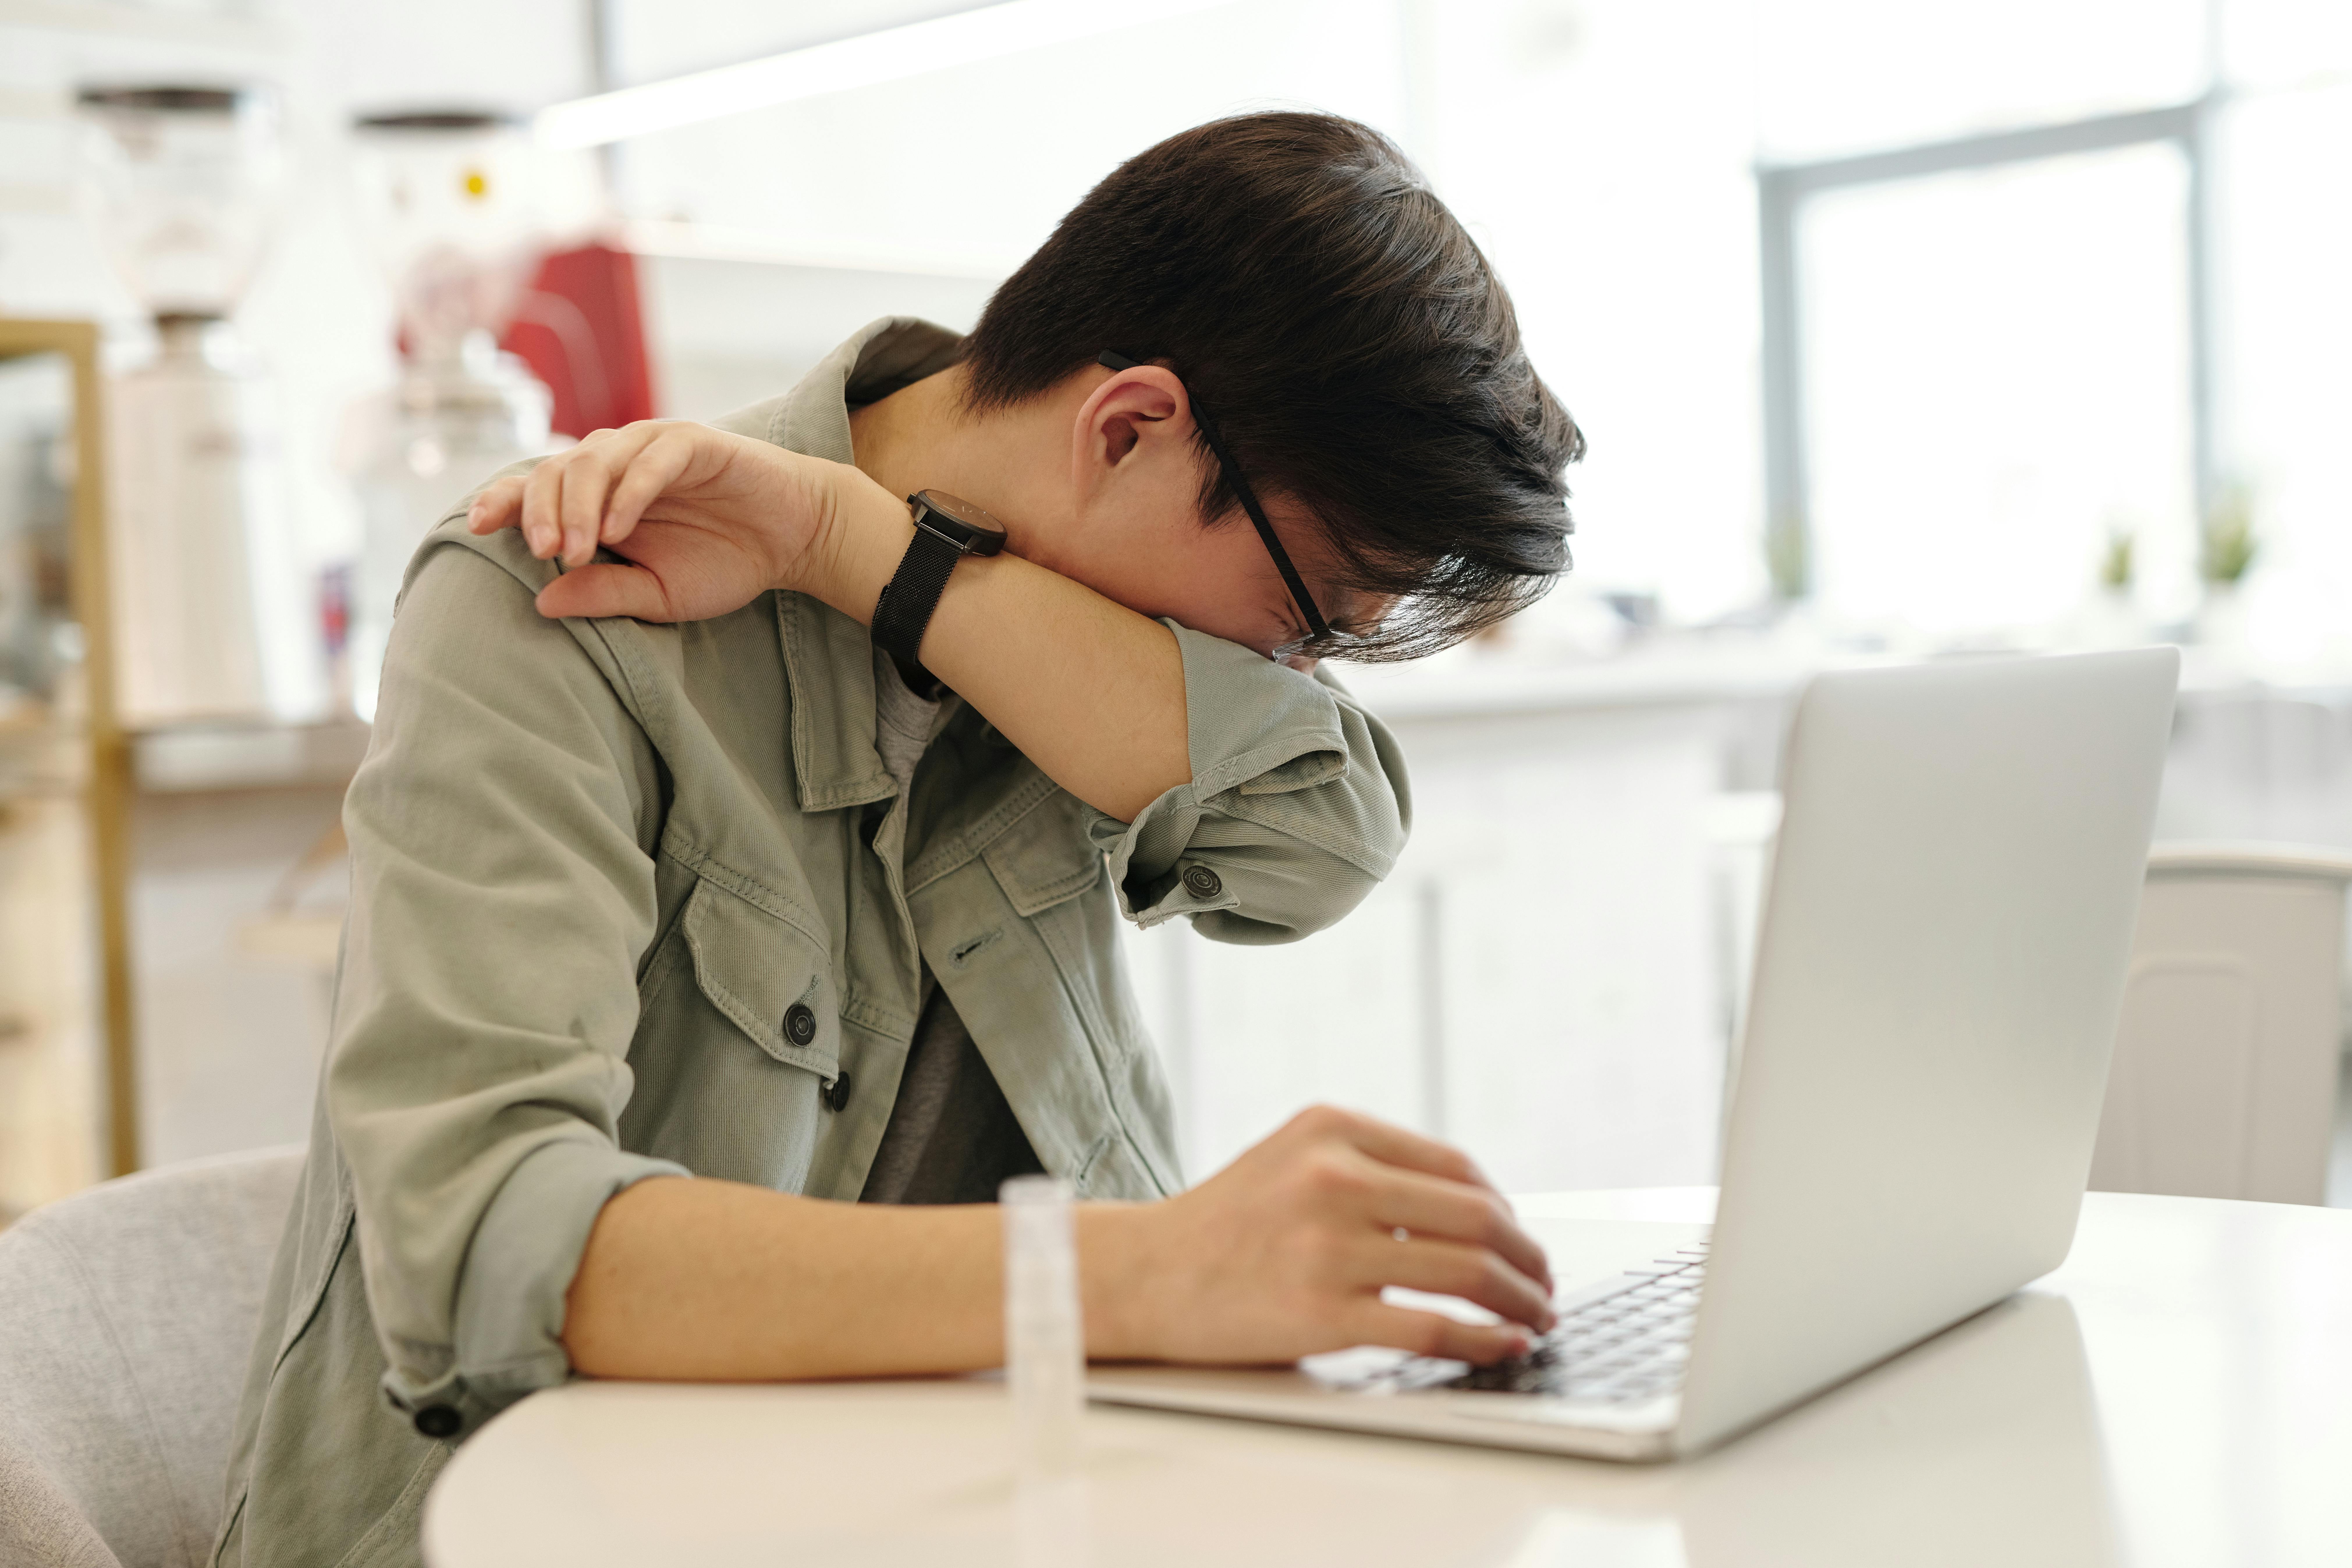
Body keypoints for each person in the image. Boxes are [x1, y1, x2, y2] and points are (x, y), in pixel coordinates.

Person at [213, 111, 1584, 1567]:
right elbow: (490, 1243)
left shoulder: (1055, 620)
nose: (1287, 672)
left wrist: (854, 548)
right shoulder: (556, 595)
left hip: (933, 1508)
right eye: (1302, 616)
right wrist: (1138, 1274)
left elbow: (1325, 832)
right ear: (1124, 430)